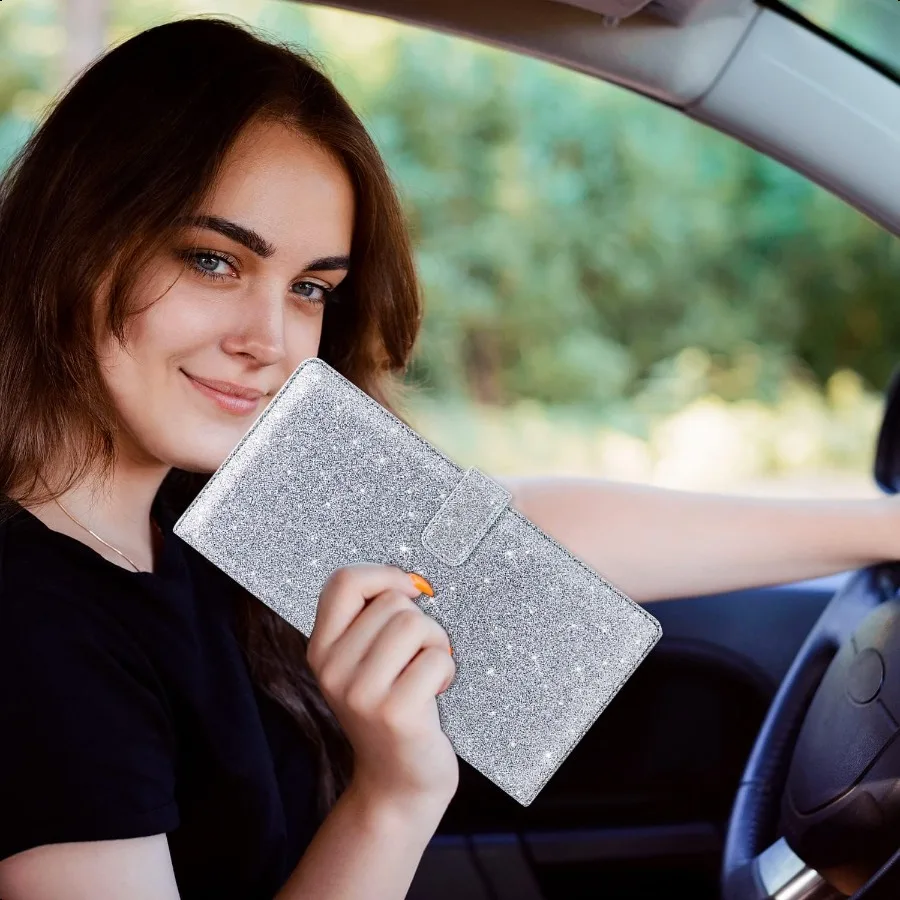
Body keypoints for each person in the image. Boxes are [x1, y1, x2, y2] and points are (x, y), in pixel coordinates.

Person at [1, 13, 899, 900]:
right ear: (77, 239)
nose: (270, 340)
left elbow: (499, 531)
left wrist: (884, 527)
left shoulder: (197, 497)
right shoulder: (34, 627)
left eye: (311, 287)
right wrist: (396, 794)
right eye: (213, 261)